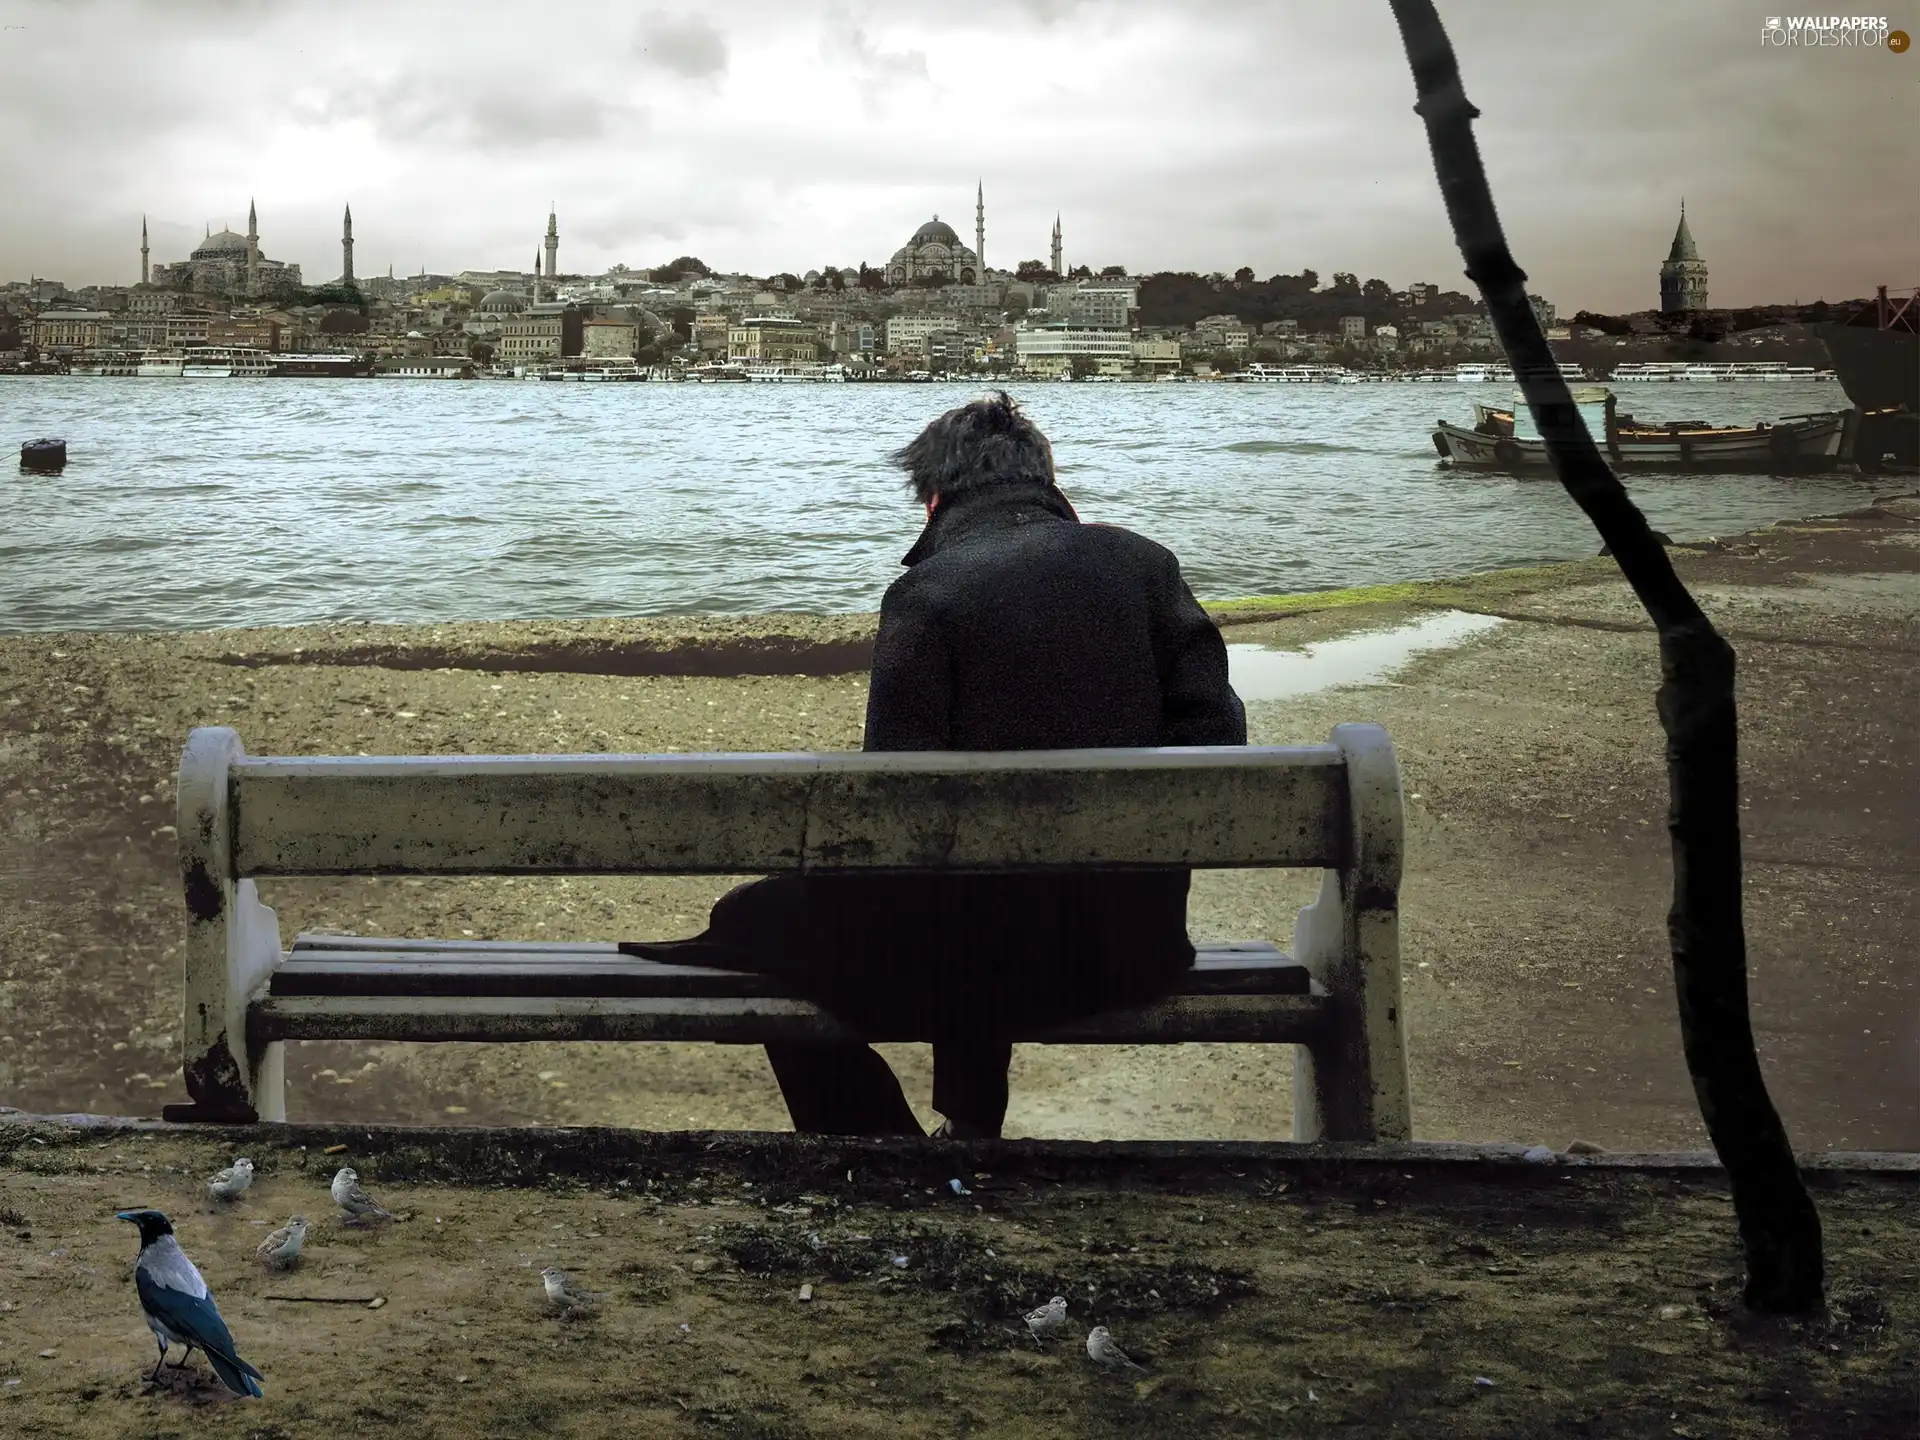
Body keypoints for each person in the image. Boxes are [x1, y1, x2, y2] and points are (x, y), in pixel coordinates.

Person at [623, 392, 1246, 1138]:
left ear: (934, 499)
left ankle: (880, 1140)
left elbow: (896, 809)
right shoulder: (1148, 567)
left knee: (747, 921)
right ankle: (972, 1122)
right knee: (985, 892)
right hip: (1135, 951)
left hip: (981, 961)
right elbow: (1216, 739)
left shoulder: (928, 594)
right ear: (1049, 481)